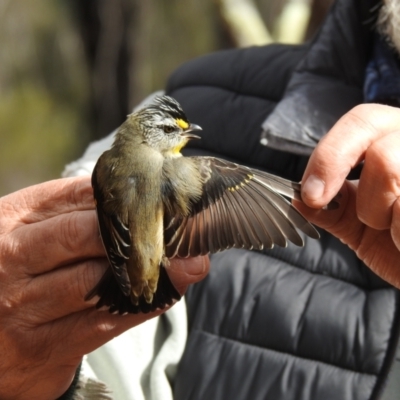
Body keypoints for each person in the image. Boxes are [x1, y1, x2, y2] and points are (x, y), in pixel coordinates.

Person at [1, 0, 400, 399]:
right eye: (175, 131)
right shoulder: (201, 112)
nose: (188, 133)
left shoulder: (140, 157)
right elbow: (66, 339)